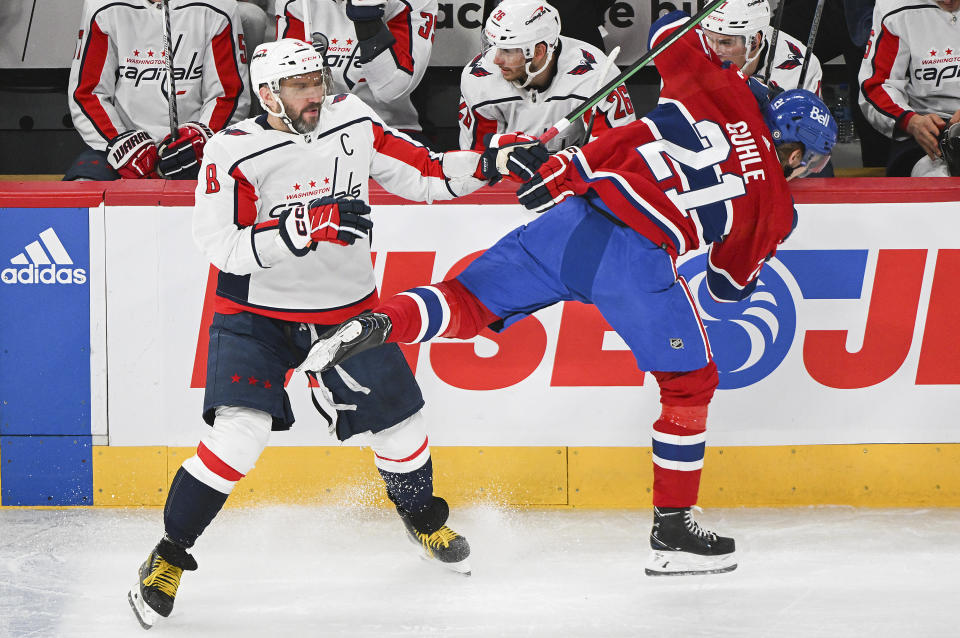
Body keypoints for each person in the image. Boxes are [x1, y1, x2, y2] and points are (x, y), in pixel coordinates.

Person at [299, 11, 838, 576]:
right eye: (812, 159)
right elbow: (727, 291)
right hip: (637, 257)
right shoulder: (776, 208)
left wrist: (721, 67)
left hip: (575, 218)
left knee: (465, 300)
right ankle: (673, 529)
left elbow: (667, 31)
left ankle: (380, 325)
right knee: (690, 382)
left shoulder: (719, 87)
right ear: (795, 151)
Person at [127, 38, 495, 629]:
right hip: (257, 317)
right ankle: (168, 556)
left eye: (318, 80)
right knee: (237, 440)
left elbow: (424, 173)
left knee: (403, 429)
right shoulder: (233, 151)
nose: (316, 94)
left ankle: (423, 522)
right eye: (300, 86)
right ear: (268, 92)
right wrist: (298, 228)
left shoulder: (353, 118)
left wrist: (494, 162)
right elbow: (218, 245)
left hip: (346, 309)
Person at [66, 0, 250, 181]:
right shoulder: (102, 6)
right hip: (122, 144)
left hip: (195, 147)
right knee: (83, 183)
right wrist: (120, 144)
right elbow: (87, 93)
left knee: (237, 183)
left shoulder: (219, 6)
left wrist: (200, 139)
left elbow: (228, 93)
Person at [460, 0, 635, 152]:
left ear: (538, 51)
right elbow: (476, 164)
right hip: (508, 184)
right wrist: (497, 161)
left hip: (577, 182)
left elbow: (616, 156)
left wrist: (567, 161)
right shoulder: (479, 78)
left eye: (507, 50)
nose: (496, 59)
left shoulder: (596, 75)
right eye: (496, 46)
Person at [276, 0, 437, 144]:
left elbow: (390, 90)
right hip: (317, 133)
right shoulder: (297, 3)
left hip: (393, 130)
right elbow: (291, 94)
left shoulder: (413, 2)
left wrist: (368, 20)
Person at [859, 0, 960, 176]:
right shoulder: (893, 8)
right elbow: (877, 86)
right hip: (928, 129)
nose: (948, 1)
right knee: (935, 183)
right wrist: (910, 121)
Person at [700, 0, 823, 96]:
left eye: (725, 43)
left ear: (754, 42)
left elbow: (810, 127)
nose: (713, 50)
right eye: (708, 38)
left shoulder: (800, 69)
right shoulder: (693, 47)